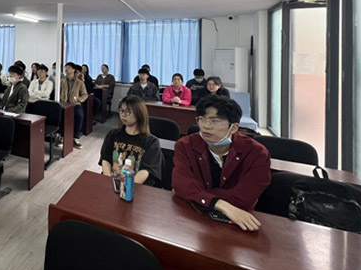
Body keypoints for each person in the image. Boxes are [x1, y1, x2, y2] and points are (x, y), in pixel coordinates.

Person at [172, 95, 271, 231]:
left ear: (234, 127)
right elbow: (181, 184)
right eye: (201, 119)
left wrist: (197, 194)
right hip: (194, 218)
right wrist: (221, 204)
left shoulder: (257, 153)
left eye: (215, 121)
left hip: (238, 221)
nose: (206, 126)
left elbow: (244, 198)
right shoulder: (185, 145)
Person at [100, 96, 162, 186]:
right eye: (121, 110)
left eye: (127, 111)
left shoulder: (151, 142)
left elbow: (146, 170)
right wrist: (109, 181)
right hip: (112, 183)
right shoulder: (113, 135)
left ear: (139, 113)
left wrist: (127, 187)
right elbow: (106, 159)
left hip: (135, 187)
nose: (123, 115)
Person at [60, 61, 88, 149]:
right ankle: (61, 137)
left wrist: (78, 100)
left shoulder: (79, 82)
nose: (66, 69)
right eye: (65, 68)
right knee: (60, 115)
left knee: (79, 115)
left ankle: (76, 138)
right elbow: (57, 92)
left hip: (75, 104)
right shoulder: (62, 81)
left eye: (68, 68)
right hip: (64, 104)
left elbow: (85, 95)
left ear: (73, 69)